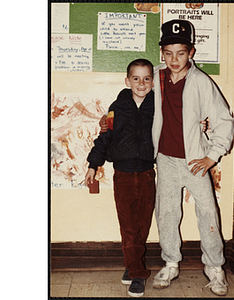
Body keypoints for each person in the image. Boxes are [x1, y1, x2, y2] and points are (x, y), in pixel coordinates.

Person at [151, 20, 234, 296]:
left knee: (208, 211)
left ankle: (214, 268)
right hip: (165, 158)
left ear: (192, 52)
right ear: (162, 52)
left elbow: (224, 121)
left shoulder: (200, 82)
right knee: (166, 212)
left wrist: (212, 156)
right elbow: (136, 101)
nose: (175, 59)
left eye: (181, 53)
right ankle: (171, 262)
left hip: (195, 159)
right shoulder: (156, 78)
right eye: (169, 52)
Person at [85, 59, 156, 298]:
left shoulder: (158, 106)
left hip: (147, 174)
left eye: (146, 78)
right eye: (136, 78)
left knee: (143, 224)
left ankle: (131, 263)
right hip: (123, 175)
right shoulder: (117, 107)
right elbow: (104, 139)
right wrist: (93, 165)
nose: (141, 83)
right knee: (128, 225)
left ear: (153, 82)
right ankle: (137, 273)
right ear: (127, 81)